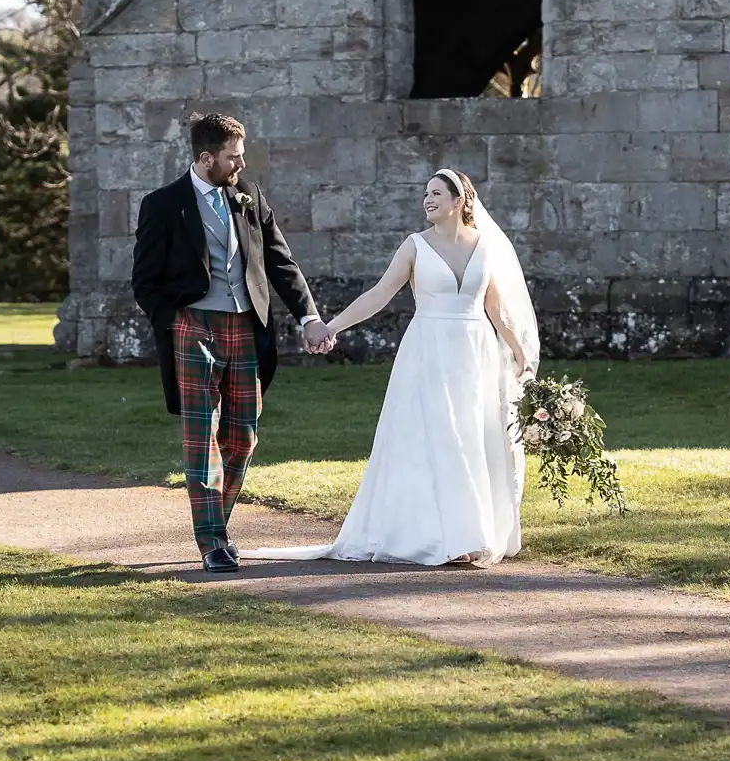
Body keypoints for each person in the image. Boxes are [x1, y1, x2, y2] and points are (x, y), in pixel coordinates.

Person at [244, 169, 539, 567]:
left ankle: (470, 533)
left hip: (476, 353)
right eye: (425, 194)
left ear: (459, 201)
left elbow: (496, 309)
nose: (428, 200)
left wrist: (519, 350)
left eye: (437, 193)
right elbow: (380, 294)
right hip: (428, 351)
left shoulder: (485, 247)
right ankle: (441, 535)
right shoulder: (414, 246)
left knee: (470, 436)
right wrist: (329, 326)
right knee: (438, 437)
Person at [130, 112, 335, 573]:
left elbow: (281, 262)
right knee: (202, 438)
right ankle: (212, 541)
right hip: (193, 327)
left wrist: (309, 317)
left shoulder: (250, 198)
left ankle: (215, 524)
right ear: (206, 158)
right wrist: (174, 323)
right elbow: (144, 280)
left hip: (246, 327)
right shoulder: (163, 204)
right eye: (233, 157)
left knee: (242, 437)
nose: (241, 165)